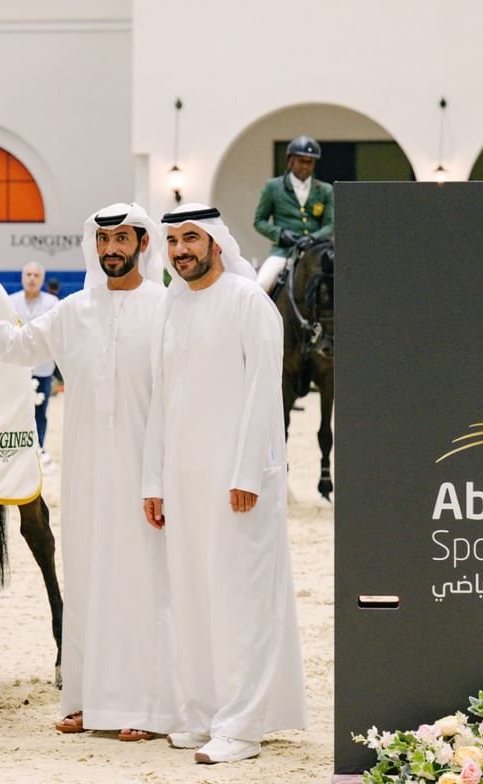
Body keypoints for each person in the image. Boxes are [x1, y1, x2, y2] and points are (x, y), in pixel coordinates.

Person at [0, 202, 180, 743]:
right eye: (103, 240)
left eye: (122, 239)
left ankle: (149, 706)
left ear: (142, 243)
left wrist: (164, 477)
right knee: (86, 579)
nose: (111, 249)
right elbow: (16, 346)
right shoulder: (74, 312)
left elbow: (179, 399)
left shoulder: (166, 308)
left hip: (147, 475)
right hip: (85, 472)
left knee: (142, 583)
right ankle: (89, 700)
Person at [143, 202, 306, 765]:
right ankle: (204, 714)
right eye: (172, 241)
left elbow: (265, 394)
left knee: (241, 601)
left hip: (239, 481)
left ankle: (242, 726)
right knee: (192, 597)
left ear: (215, 243)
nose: (181, 250)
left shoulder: (248, 302)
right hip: (183, 482)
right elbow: (162, 397)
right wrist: (154, 481)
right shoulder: (173, 304)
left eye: (191, 238)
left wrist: (247, 473)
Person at [254, 135, 334, 293]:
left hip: (316, 252)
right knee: (261, 285)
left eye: (310, 162)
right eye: (301, 161)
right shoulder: (273, 187)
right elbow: (259, 221)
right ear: (290, 161)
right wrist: (280, 234)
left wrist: (313, 238)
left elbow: (331, 225)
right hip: (284, 252)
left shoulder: (325, 190)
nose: (305, 166)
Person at [9, 261, 60, 469]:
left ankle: (39, 448)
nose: (31, 278)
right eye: (28, 274)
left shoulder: (53, 303)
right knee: (15, 410)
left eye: (36, 275)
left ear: (42, 279)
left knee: (40, 410)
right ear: (22, 277)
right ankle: (16, 451)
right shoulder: (11, 301)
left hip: (42, 367)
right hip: (16, 367)